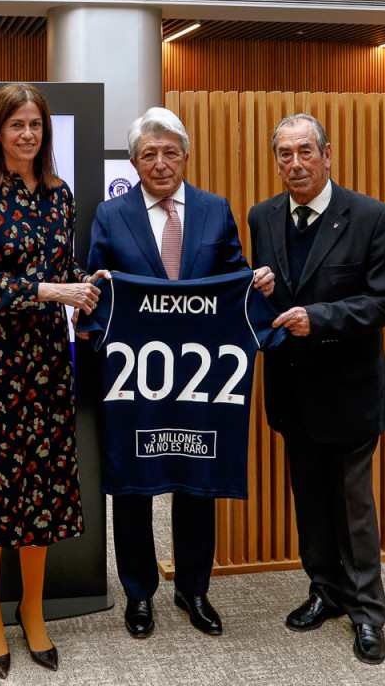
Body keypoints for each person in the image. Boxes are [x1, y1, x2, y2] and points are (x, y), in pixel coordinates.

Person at [86, 106, 274, 639]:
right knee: (133, 482)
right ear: (134, 161)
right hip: (135, 373)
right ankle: (138, 594)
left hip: (201, 376)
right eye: (149, 155)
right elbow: (97, 284)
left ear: (186, 156)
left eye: (170, 153)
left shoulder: (216, 210)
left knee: (198, 480)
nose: (161, 163)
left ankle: (194, 589)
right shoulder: (111, 213)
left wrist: (253, 282)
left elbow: (233, 276)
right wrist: (88, 289)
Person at [0, 82, 106, 679]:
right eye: (16, 124)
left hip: (45, 359)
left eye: (35, 124)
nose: (27, 134)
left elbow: (62, 265)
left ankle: (32, 608)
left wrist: (87, 280)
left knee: (39, 486)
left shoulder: (60, 194)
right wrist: (52, 289)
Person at [247, 113, 385, 665]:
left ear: (327, 153)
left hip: (349, 389)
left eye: (304, 152)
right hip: (291, 389)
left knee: (352, 504)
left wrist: (318, 317)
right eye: (284, 155)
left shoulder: (370, 217)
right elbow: (265, 303)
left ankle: (368, 613)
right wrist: (259, 288)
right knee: (309, 500)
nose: (294, 164)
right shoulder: (262, 217)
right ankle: (325, 591)